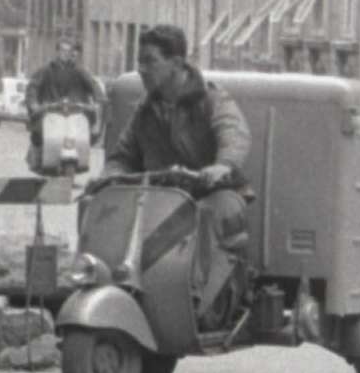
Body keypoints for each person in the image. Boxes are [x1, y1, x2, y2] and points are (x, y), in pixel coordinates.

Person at [103, 24, 253, 320]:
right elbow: (123, 155)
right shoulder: (147, 110)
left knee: (208, 214)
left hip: (212, 194)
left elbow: (234, 134)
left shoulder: (211, 99)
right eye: (139, 61)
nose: (142, 69)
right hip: (162, 197)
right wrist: (110, 175)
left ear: (177, 62)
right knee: (111, 213)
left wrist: (222, 165)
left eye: (150, 61)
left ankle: (193, 298)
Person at [25, 36, 105, 156]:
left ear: (71, 53)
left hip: (74, 114)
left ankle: (81, 156)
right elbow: (33, 87)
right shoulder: (46, 70)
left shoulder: (79, 71)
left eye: (68, 51)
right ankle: (39, 155)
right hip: (51, 113)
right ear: (57, 51)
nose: (65, 54)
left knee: (86, 135)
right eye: (62, 50)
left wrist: (98, 101)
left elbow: (94, 86)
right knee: (39, 135)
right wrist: (33, 104)